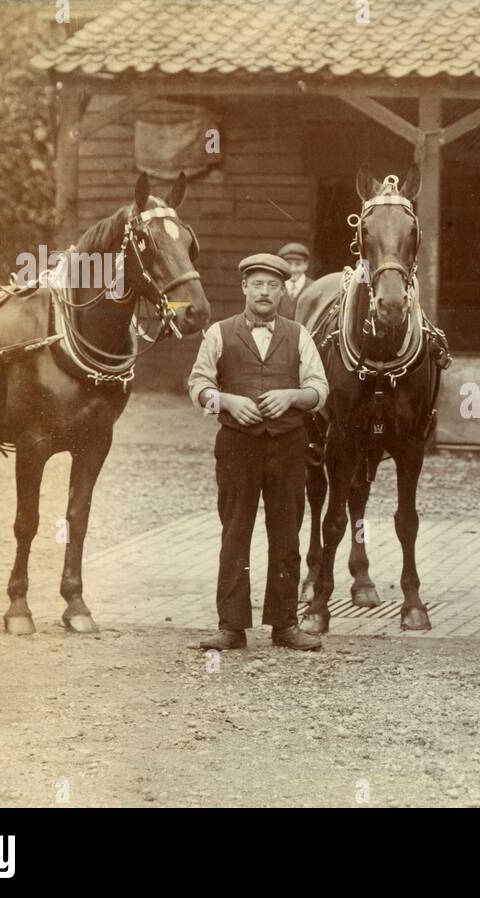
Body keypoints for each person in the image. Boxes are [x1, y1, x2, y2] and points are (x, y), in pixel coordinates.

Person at [189, 253, 329, 651]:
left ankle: (284, 625)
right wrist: (228, 402)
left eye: (273, 285)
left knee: (286, 534)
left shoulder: (299, 334)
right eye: (257, 284)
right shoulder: (219, 333)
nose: (265, 292)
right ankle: (231, 627)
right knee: (235, 532)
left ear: (283, 291)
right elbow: (197, 388)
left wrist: (292, 396)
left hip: (288, 446)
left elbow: (320, 391)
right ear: (244, 289)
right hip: (237, 447)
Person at [277, 241, 311, 319]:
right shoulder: (275, 286)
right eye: (288, 264)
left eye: (298, 264)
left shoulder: (314, 287)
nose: (293, 269)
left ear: (306, 265)